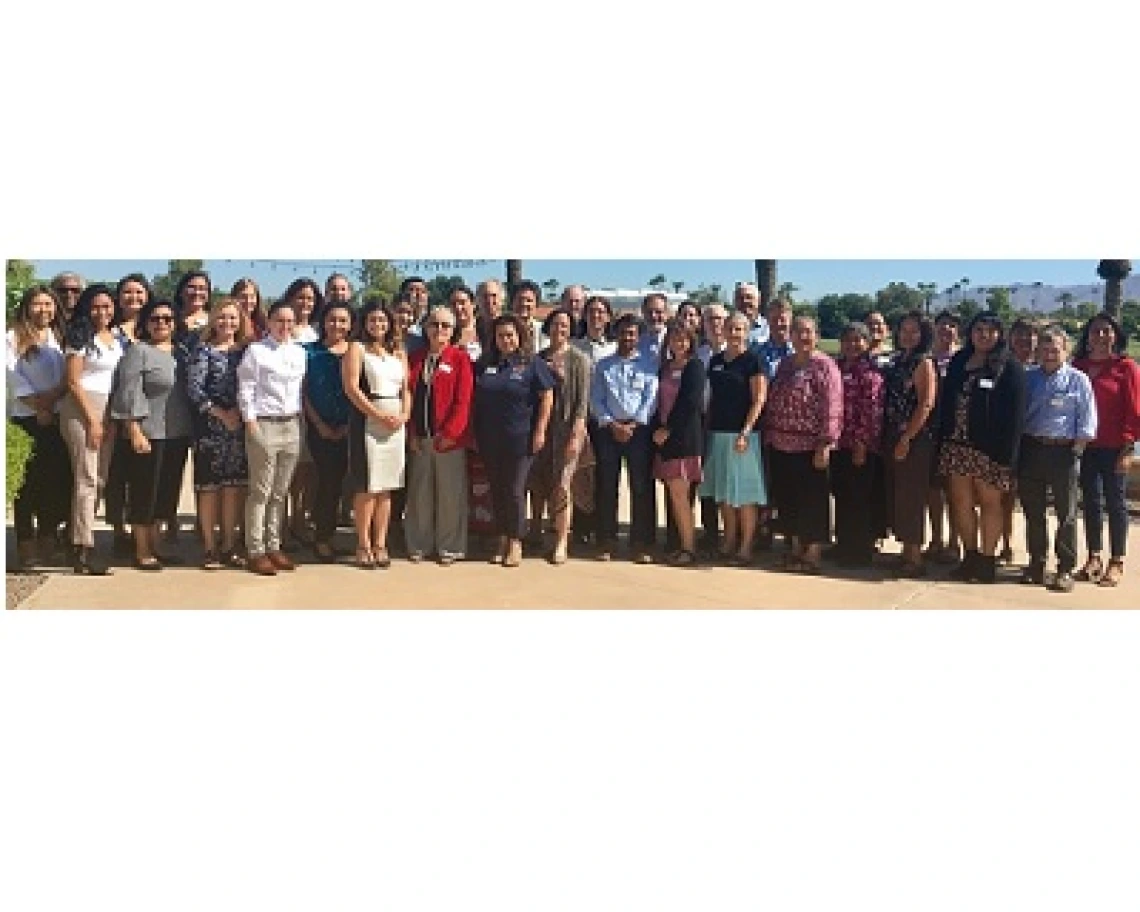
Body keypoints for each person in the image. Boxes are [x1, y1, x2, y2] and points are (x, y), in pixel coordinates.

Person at [937, 312, 1027, 583]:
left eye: (990, 330)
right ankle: (971, 556)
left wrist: (1008, 457)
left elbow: (1016, 417)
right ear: (970, 332)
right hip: (957, 445)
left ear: (1000, 334)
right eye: (979, 329)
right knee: (960, 503)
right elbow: (946, 401)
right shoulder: (959, 361)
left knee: (991, 503)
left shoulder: (1010, 367)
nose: (984, 335)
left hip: (991, 449)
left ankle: (988, 561)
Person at [110, 299, 194, 571]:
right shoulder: (139, 352)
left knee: (166, 494)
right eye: (155, 318)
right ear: (146, 322)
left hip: (177, 434)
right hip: (148, 434)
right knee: (144, 493)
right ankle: (142, 549)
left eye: (168, 318)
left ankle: (157, 545)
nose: (162, 323)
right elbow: (128, 392)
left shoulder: (182, 352)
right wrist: (133, 429)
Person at [1018, 325, 1097, 593]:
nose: (1050, 354)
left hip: (1063, 453)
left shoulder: (1078, 380)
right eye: (1045, 349)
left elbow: (1087, 423)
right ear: (1037, 351)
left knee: (1067, 515)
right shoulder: (1028, 379)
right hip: (1031, 450)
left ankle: (1065, 569)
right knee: (1034, 513)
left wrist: (1076, 451)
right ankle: (1037, 564)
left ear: (1065, 350)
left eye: (1056, 349)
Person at [473, 313, 555, 567]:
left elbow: (547, 396)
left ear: (519, 337)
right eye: (500, 336)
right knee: (496, 489)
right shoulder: (485, 363)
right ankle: (501, 537)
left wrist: (540, 430)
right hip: (490, 438)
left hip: (521, 439)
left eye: (510, 335)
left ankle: (516, 540)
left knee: (515, 490)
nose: (505, 340)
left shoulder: (532, 363)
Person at [764, 315, 843, 575]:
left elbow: (833, 406)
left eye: (808, 332)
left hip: (811, 446)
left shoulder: (825, 366)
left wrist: (825, 443)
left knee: (813, 501)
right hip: (781, 444)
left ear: (817, 336)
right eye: (798, 332)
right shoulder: (785, 365)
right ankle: (796, 549)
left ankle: (812, 555)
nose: (803, 337)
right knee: (789, 500)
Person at [237, 300, 308, 576]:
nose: (285, 326)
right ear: (270, 322)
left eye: (290, 322)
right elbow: (246, 388)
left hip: (291, 424)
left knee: (280, 492)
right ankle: (255, 550)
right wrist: (250, 423)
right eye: (280, 320)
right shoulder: (256, 351)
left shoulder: (299, 353)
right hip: (264, 424)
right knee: (261, 491)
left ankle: (274, 544)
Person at [59, 284, 125, 575]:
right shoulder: (79, 338)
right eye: (96, 306)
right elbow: (73, 382)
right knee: (86, 477)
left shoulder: (116, 338)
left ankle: (76, 534)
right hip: (83, 409)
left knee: (100, 478)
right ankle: (82, 548)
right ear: (87, 307)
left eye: (107, 306)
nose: (102, 312)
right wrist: (92, 420)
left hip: (109, 408)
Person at [1072, 311, 1140, 588]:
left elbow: (1134, 412)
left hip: (1115, 448)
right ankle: (1094, 557)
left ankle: (1117, 561)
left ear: (1115, 336)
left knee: (1116, 503)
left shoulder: (1126, 367)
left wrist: (1127, 449)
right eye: (1095, 331)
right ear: (1087, 337)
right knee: (1090, 502)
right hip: (1086, 447)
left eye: (1106, 331)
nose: (1100, 336)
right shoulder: (1079, 366)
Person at [7, 285, 71, 570]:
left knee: (53, 483)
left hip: (56, 418)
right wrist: (38, 407)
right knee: (27, 487)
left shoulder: (59, 337)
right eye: (37, 304)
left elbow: (68, 377)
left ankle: (48, 538)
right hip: (26, 418)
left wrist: (53, 403)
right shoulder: (12, 337)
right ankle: (25, 545)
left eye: (48, 303)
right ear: (26, 307)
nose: (43, 309)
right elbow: (12, 377)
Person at [343, 302, 410, 569]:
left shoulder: (398, 351)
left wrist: (404, 414)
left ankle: (381, 543)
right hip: (368, 423)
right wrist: (377, 414)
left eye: (382, 320)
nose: (378, 325)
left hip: (395, 426)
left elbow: (406, 389)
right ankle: (363, 544)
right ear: (365, 322)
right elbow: (351, 388)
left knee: (387, 488)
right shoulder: (356, 348)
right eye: (372, 320)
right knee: (367, 487)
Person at [186, 297, 252, 569]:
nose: (227, 322)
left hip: (238, 428)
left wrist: (239, 413)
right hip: (210, 428)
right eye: (222, 317)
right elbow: (194, 389)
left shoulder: (247, 352)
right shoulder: (202, 351)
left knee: (234, 488)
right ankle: (210, 547)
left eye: (233, 317)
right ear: (213, 320)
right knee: (210, 488)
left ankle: (229, 544)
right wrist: (221, 414)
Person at [405, 304, 474, 565]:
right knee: (420, 495)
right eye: (435, 324)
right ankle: (419, 545)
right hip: (420, 439)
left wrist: (450, 433)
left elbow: (463, 401)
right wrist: (411, 432)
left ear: (453, 330)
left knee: (449, 496)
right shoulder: (416, 358)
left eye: (446, 325)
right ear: (425, 327)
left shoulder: (460, 359)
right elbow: (408, 396)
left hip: (449, 441)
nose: (440, 330)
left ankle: (450, 547)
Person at [591, 313, 659, 563]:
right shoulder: (604, 365)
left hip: (639, 432)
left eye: (632, 333)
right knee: (607, 486)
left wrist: (633, 424)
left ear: (638, 337)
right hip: (609, 431)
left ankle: (641, 542)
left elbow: (651, 398)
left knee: (640, 487)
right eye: (623, 333)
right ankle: (606, 540)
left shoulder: (649, 365)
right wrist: (611, 423)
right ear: (615, 334)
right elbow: (596, 397)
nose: (627, 338)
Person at [528, 307, 590, 564]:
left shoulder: (579, 360)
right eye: (555, 324)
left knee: (563, 486)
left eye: (564, 325)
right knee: (538, 484)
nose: (559, 329)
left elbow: (582, 402)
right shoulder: (537, 358)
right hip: (542, 430)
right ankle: (535, 531)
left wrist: (577, 434)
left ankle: (561, 540)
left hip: (568, 430)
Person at [880, 311, 938, 577]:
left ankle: (915, 557)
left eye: (914, 331)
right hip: (892, 435)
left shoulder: (924, 363)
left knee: (912, 497)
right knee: (898, 494)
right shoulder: (899, 360)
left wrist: (907, 438)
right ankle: (906, 552)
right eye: (904, 330)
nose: (908, 335)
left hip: (914, 439)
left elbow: (926, 403)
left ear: (924, 334)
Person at [302, 301, 355, 563]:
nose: (337, 325)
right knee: (326, 482)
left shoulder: (356, 352)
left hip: (350, 428)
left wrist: (347, 425)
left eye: (343, 320)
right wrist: (320, 424)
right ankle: (321, 538)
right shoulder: (309, 352)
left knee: (342, 484)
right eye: (332, 319)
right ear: (323, 322)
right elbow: (303, 392)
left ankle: (332, 535)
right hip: (319, 428)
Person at [651, 319, 707, 566]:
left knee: (681, 496)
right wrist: (657, 430)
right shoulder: (664, 368)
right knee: (674, 495)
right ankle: (682, 545)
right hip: (665, 440)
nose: (679, 343)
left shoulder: (694, 367)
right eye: (674, 338)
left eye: (683, 338)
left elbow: (690, 401)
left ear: (691, 341)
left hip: (684, 439)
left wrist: (668, 429)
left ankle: (689, 548)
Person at [829, 322, 884, 568]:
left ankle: (859, 550)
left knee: (859, 498)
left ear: (866, 342)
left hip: (859, 446)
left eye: (857, 340)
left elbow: (871, 410)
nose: (852, 345)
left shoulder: (871, 371)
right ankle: (843, 544)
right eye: (847, 340)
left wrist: (862, 442)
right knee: (841, 495)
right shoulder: (836, 367)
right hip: (838, 444)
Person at [105, 273, 152, 555]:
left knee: (142, 477)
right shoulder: (110, 332)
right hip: (113, 412)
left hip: (149, 415)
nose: (133, 297)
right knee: (116, 476)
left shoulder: (154, 328)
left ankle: (144, 531)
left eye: (139, 292)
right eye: (127, 292)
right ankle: (119, 530)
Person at [570, 295, 617, 547]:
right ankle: (581, 527)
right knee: (580, 474)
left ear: (608, 317)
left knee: (604, 476)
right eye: (592, 311)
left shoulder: (614, 347)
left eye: (601, 312)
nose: (596, 316)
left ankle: (604, 529)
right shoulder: (575, 346)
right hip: (581, 417)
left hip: (607, 422)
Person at [751, 296, 795, 550]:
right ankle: (763, 530)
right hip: (766, 426)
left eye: (783, 317)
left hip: (794, 429)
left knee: (789, 481)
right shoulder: (758, 352)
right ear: (767, 319)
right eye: (775, 317)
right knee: (765, 480)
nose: (779, 322)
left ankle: (791, 532)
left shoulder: (799, 350)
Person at [1000, 318, 1040, 564]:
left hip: (1037, 443)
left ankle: (1039, 553)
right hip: (1008, 441)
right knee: (1006, 496)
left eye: (1030, 335)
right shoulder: (1002, 366)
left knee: (1033, 501)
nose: (1024, 339)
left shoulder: (1045, 368)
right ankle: (1007, 543)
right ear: (1010, 337)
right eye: (1019, 334)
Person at [925, 311, 962, 564]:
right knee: (932, 490)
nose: (946, 329)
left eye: (952, 326)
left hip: (957, 433)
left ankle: (954, 542)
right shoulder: (927, 359)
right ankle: (936, 538)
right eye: (942, 325)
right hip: (930, 432)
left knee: (956, 492)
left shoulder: (964, 359)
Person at [695, 302, 727, 556]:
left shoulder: (737, 352)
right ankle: (710, 531)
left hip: (728, 424)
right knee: (705, 479)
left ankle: (732, 533)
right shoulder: (698, 354)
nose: (715, 323)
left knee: (726, 480)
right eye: (710, 319)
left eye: (718, 319)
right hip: (702, 422)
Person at [509, 279, 546, 352]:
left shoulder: (544, 330)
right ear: (512, 303)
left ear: (536, 304)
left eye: (529, 300)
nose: (524, 304)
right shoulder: (503, 329)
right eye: (520, 299)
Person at [449, 285, 482, 362]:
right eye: (453, 304)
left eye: (462, 302)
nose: (458, 307)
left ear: (473, 304)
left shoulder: (484, 328)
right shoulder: (446, 332)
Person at [637, 292, 670, 366]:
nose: (653, 316)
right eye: (649, 312)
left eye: (658, 312)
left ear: (667, 313)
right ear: (643, 313)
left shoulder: (677, 342)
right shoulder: (636, 343)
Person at [734, 282, 768, 348]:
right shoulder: (725, 329)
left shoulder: (769, 329)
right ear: (735, 302)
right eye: (740, 298)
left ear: (759, 301)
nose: (744, 301)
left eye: (749, 297)